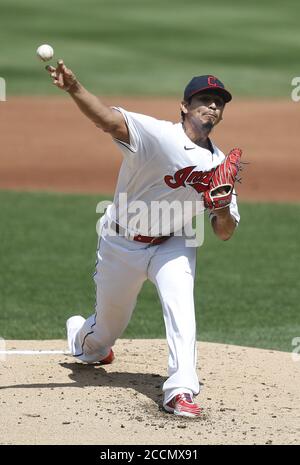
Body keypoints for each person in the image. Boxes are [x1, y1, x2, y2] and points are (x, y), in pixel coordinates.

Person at [46, 61, 240, 418]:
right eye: (205, 98)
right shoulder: (158, 135)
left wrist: (224, 207)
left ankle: (180, 389)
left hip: (174, 243)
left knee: (181, 306)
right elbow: (107, 121)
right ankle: (84, 339)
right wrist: (74, 87)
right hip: (121, 243)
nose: (213, 105)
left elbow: (224, 232)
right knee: (104, 332)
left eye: (219, 102)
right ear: (184, 106)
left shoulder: (219, 164)